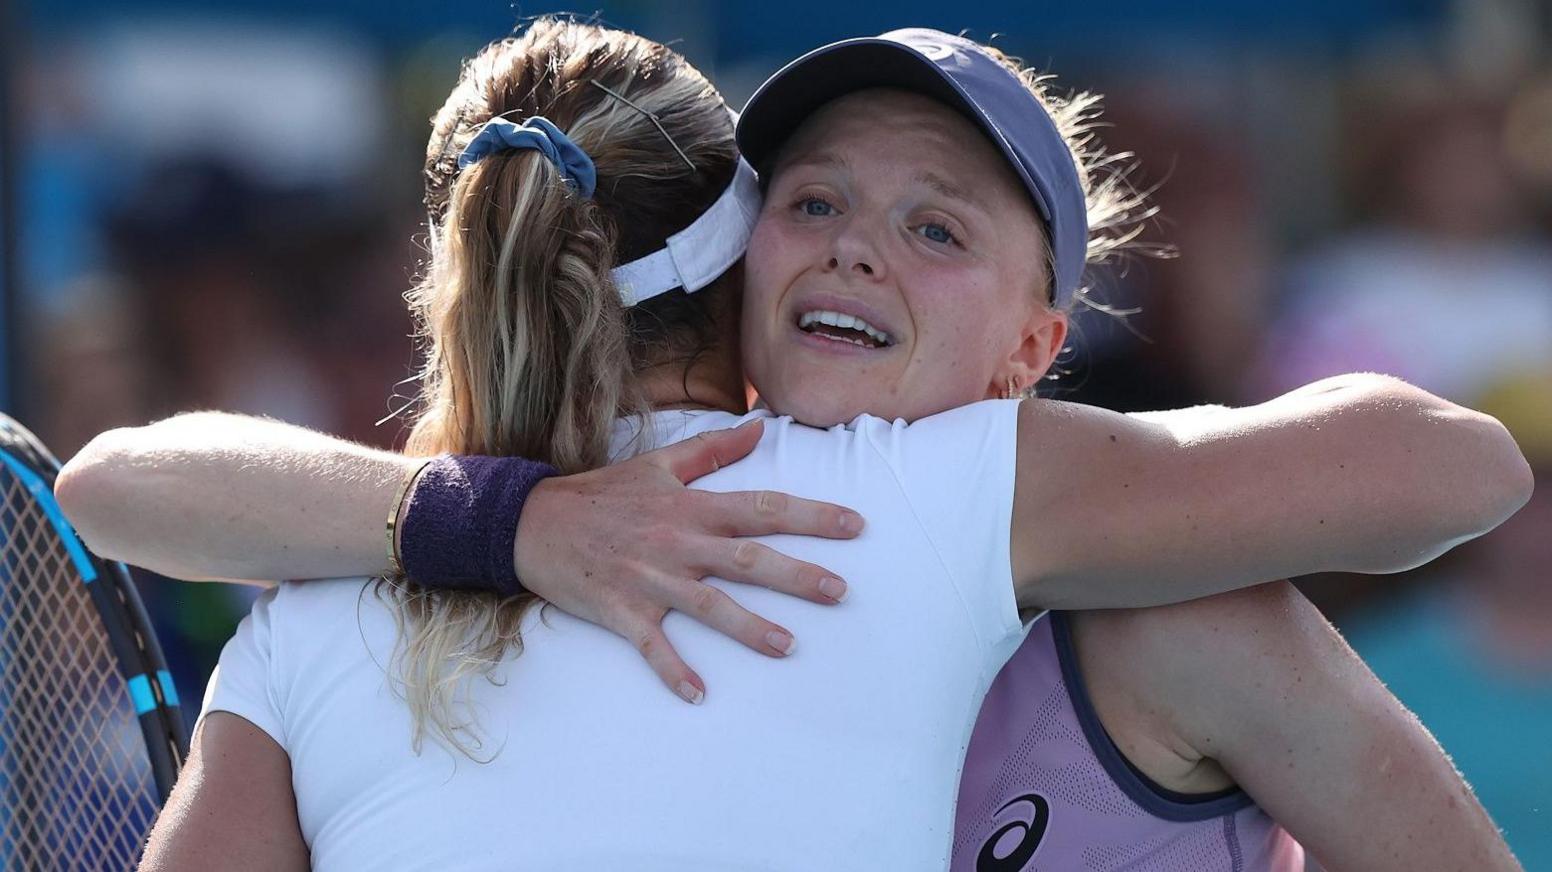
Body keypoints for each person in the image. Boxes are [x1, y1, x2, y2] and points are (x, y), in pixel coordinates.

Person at [62, 21, 1529, 871]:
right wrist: (510, 526)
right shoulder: (921, 505)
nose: (857, 251)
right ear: (731, 266)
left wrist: (488, 525)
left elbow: (1461, 471)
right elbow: (115, 484)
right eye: (813, 202)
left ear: (1038, 350)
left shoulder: (1068, 546)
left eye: (936, 225)